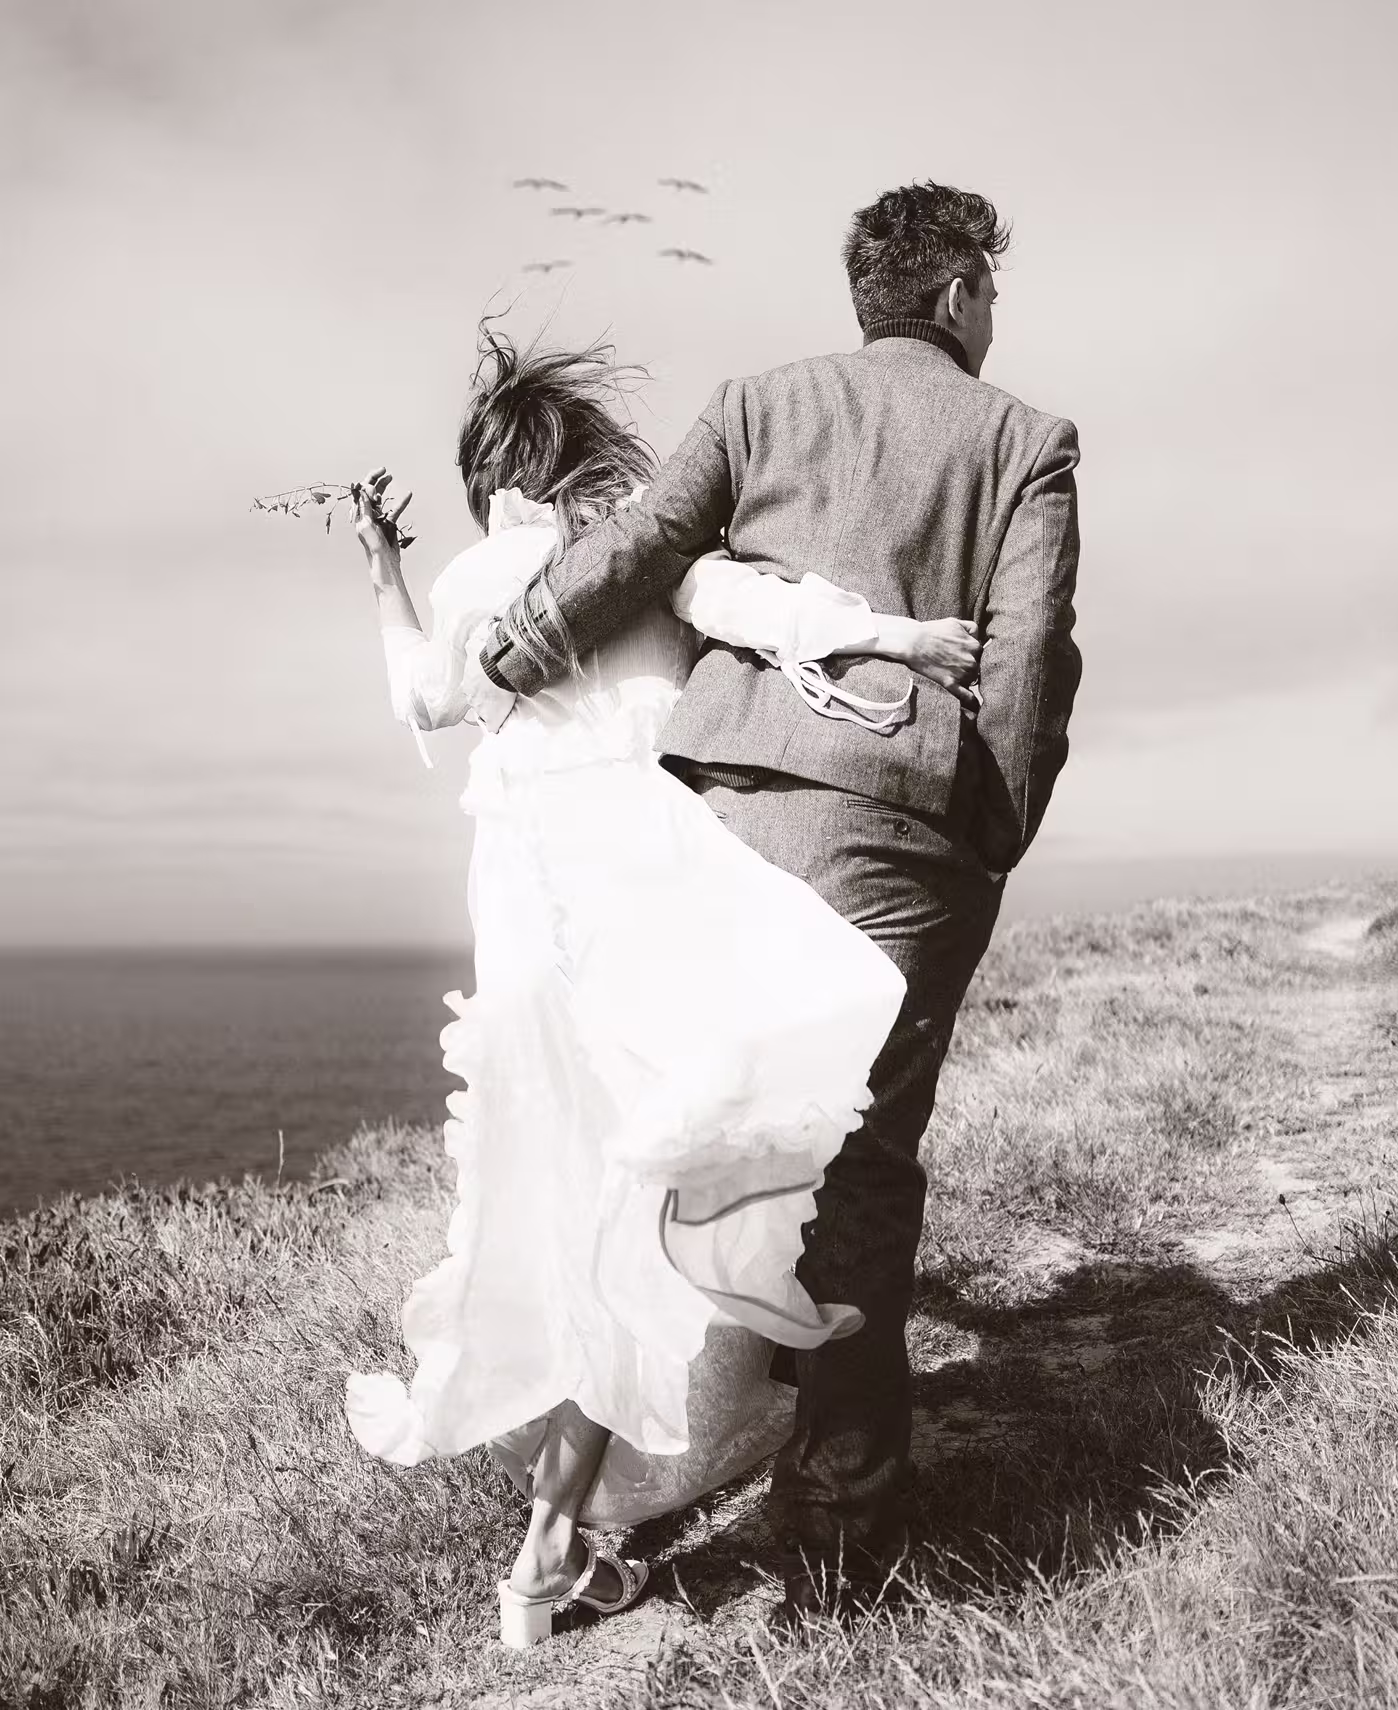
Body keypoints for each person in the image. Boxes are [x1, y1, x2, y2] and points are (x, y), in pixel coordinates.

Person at [475, 182, 1083, 1623]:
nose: (996, 315)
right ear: (952, 297)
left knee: (706, 1149)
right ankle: (836, 1543)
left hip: (723, 818)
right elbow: (1032, 662)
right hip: (899, 834)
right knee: (860, 1173)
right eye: (990, 290)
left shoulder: (759, 403)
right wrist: (984, 824)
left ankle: (622, 1492)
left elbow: (640, 551)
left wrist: (518, 644)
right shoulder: (1026, 441)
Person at [341, 331, 985, 1646]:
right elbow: (756, 611)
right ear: (578, 462)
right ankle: (615, 1514)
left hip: (528, 965)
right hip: (656, 943)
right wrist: (896, 637)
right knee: (695, 1216)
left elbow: (418, 691)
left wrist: (384, 573)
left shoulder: (479, 581)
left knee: (610, 1251)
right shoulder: (636, 555)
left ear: (490, 484)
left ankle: (553, 1561)